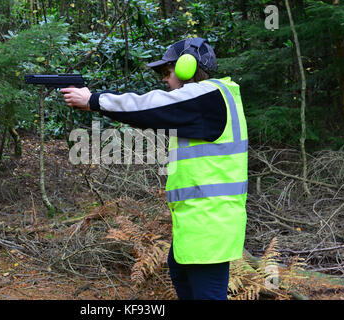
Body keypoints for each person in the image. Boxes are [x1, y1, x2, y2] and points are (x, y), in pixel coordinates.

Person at [60, 37, 248, 300]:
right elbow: (155, 114)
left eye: (167, 71)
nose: (163, 79)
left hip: (210, 222)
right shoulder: (211, 99)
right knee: (180, 272)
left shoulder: (209, 96)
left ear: (187, 67)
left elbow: (147, 106)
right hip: (203, 220)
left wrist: (93, 100)